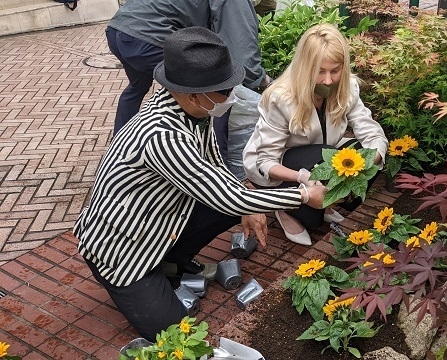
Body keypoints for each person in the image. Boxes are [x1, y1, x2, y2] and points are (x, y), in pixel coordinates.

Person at [73, 27, 325, 341]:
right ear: (194, 94)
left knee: (238, 199)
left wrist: (246, 200)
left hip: (156, 218)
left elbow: (216, 166)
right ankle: (152, 272)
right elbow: (225, 196)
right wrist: (302, 194)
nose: (231, 96)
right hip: (121, 248)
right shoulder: (163, 135)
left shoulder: (193, 111)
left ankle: (171, 261)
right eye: (224, 90)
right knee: (176, 334)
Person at [243, 23, 388, 246]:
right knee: (313, 217)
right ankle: (285, 209)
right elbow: (265, 161)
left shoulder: (348, 88)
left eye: (335, 70)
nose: (328, 81)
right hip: (279, 167)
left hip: (318, 159)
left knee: (363, 153)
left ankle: (322, 201)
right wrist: (303, 177)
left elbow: (372, 133)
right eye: (320, 71)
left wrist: (368, 163)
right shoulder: (280, 97)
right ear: (305, 67)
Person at [105, 0, 272, 163]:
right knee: (214, 92)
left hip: (118, 29)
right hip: (148, 36)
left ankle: (119, 149)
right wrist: (262, 79)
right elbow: (241, 41)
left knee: (136, 87)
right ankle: (216, 163)